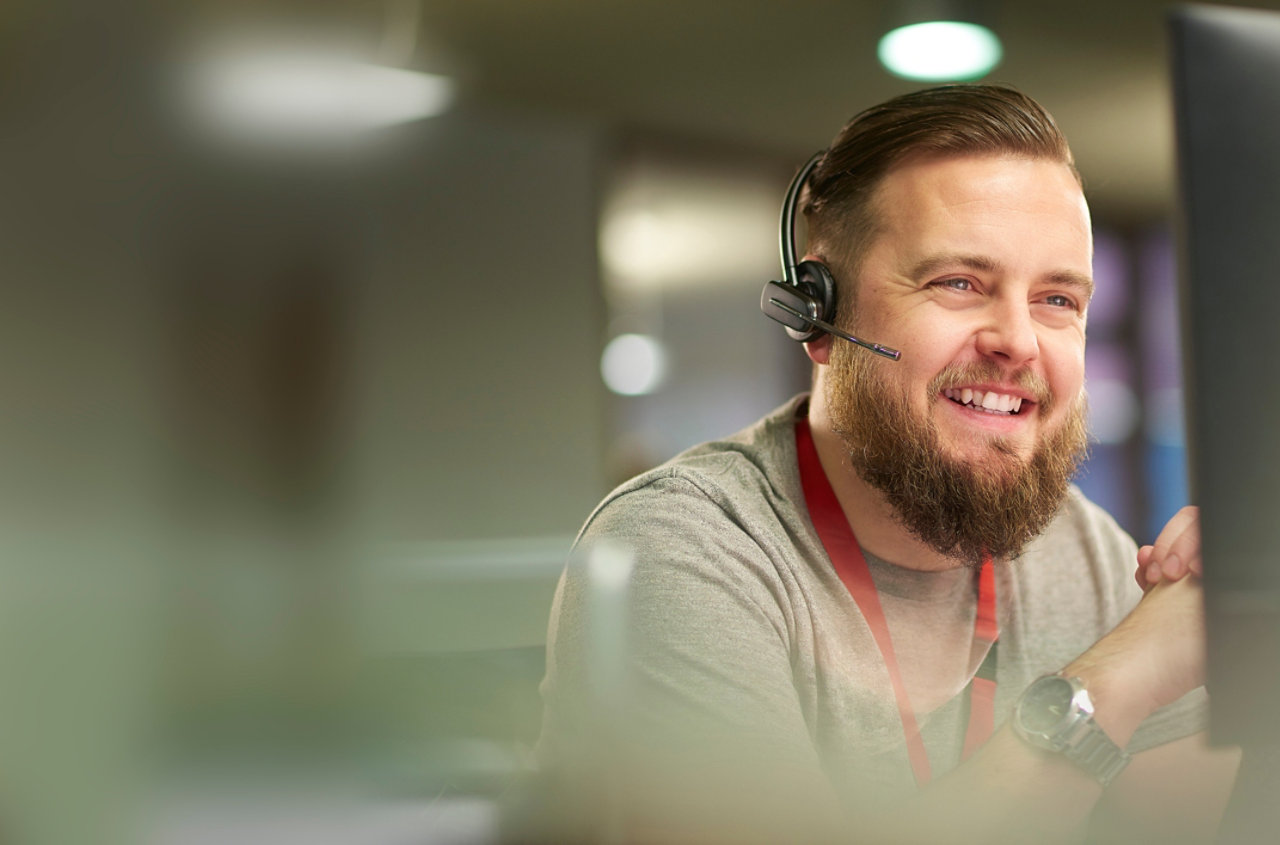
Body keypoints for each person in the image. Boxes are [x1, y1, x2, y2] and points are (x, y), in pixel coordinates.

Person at [533, 85, 1241, 844]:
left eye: (1057, 299)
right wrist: (1113, 680)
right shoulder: (678, 551)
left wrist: (1244, 637)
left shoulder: (1089, 555)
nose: (1018, 341)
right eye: (959, 283)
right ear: (819, 311)